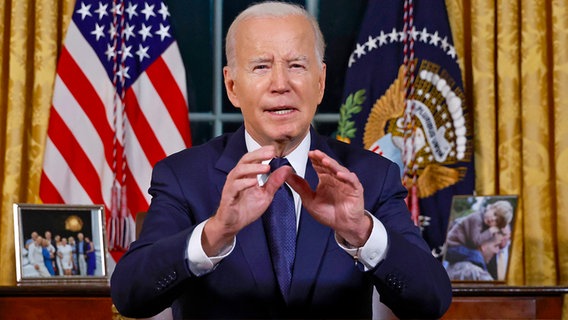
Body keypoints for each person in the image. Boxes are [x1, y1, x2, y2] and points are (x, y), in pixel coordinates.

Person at [110, 2, 452, 319]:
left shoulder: (371, 175)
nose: (280, 84)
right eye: (261, 66)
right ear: (232, 86)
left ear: (319, 83)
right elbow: (131, 296)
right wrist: (215, 233)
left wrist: (361, 232)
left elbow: (431, 300)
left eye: (296, 66)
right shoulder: (184, 176)